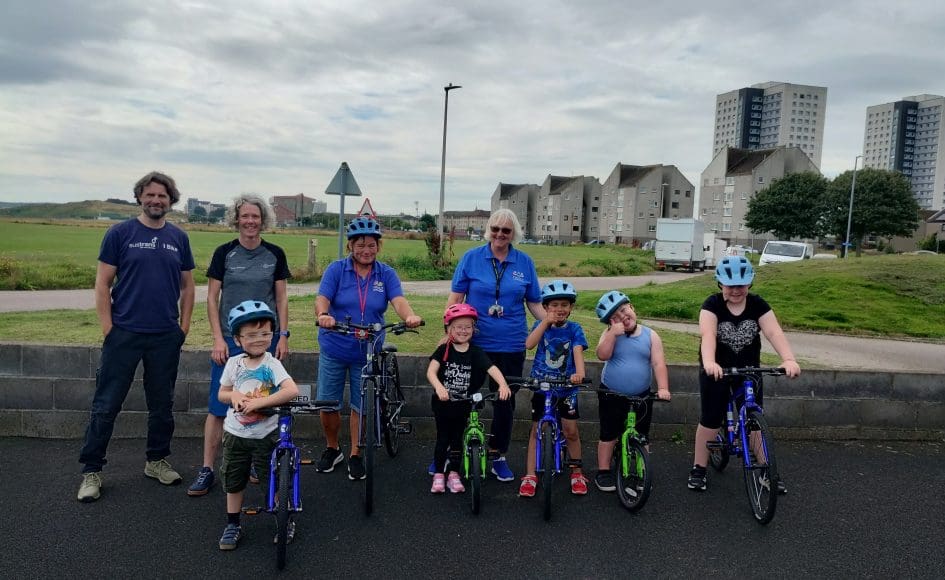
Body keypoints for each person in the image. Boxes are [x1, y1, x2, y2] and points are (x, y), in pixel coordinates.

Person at [77, 171, 196, 502]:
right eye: (150, 195)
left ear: (170, 200)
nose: (156, 200)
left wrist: (182, 328)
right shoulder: (120, 233)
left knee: (162, 405)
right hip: (124, 334)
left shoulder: (178, 238)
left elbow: (188, 287)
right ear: (140, 197)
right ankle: (91, 471)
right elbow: (103, 284)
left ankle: (156, 461)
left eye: (162, 196)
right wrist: (108, 329)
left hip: (164, 336)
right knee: (106, 405)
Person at [187, 195, 291, 497]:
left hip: (264, 339)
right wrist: (218, 338)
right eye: (245, 216)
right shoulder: (224, 253)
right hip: (231, 342)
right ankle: (207, 468)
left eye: (255, 217)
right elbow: (211, 298)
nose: (250, 222)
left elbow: (281, 297)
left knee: (264, 402)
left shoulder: (274, 253)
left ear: (263, 220)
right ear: (236, 219)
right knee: (219, 406)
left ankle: (258, 461)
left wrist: (282, 335)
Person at [314, 217, 422, 480]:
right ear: (350, 245)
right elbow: (322, 298)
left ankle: (355, 454)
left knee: (361, 407)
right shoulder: (336, 270)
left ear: (378, 246)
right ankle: (332, 448)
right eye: (360, 244)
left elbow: (398, 300)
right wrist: (324, 314)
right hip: (336, 346)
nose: (366, 250)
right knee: (328, 405)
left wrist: (409, 316)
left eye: (372, 245)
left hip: (368, 350)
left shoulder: (386, 274)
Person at [447, 208, 544, 482]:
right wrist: (448, 331)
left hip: (512, 344)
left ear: (514, 234)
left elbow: (533, 302)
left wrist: (551, 323)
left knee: (505, 401)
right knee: (461, 397)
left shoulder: (524, 262)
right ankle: (453, 452)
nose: (500, 235)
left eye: (506, 231)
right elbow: (456, 296)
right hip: (474, 342)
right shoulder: (472, 258)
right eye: (496, 229)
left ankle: (498, 454)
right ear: (488, 230)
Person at [687, 256, 800, 493]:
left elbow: (773, 332)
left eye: (741, 285)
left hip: (749, 369)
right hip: (717, 369)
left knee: (753, 418)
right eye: (730, 285)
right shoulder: (712, 305)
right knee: (710, 418)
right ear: (720, 284)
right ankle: (699, 467)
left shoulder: (758, 305)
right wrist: (709, 362)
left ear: (750, 284)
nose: (736, 290)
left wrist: (788, 359)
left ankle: (767, 469)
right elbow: (708, 336)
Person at [215, 301, 300, 550]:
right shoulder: (234, 363)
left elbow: (291, 390)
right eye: (251, 335)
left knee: (271, 478)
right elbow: (222, 393)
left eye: (265, 333)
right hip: (235, 432)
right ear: (238, 339)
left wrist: (261, 402)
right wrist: (234, 397)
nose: (259, 339)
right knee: (233, 478)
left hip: (266, 433)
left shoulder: (271, 364)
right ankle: (233, 523)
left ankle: (283, 521)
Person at [427, 304, 511, 494]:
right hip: (443, 403)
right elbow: (431, 371)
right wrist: (439, 387)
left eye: (467, 327)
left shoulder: (475, 352)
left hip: (464, 404)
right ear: (449, 329)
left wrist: (503, 384)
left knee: (458, 440)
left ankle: (454, 474)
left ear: (474, 329)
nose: (463, 331)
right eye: (458, 327)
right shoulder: (443, 350)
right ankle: (439, 474)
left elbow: (492, 369)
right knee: (443, 439)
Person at [593, 290, 671, 492]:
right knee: (608, 434)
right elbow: (602, 355)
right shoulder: (610, 334)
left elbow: (658, 363)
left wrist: (663, 388)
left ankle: (641, 471)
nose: (622, 317)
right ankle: (603, 471)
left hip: (641, 395)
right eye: (615, 317)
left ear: (632, 307)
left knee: (642, 435)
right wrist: (612, 334)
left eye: (624, 310)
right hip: (612, 394)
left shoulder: (650, 335)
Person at [519, 280, 589, 498]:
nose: (560, 309)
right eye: (554, 305)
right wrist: (544, 323)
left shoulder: (575, 329)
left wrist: (579, 373)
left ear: (571, 308)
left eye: (564, 305)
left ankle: (576, 472)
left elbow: (577, 351)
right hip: (542, 387)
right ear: (546, 307)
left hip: (567, 388)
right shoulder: (540, 325)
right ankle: (530, 475)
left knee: (571, 431)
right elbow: (529, 344)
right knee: (535, 431)